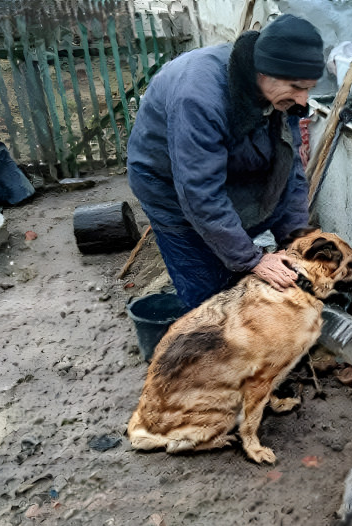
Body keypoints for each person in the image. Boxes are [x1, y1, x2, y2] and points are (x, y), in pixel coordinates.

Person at [126, 14, 326, 309]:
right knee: (208, 291)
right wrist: (252, 259)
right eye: (297, 87)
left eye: (309, 87)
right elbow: (199, 194)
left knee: (237, 266)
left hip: (227, 170)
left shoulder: (282, 97)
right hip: (168, 186)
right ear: (265, 72)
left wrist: (297, 243)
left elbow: (291, 174)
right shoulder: (198, 98)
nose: (302, 99)